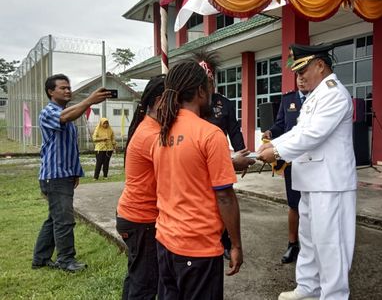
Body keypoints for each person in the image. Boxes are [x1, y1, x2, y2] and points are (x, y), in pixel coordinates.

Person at [258, 44, 357, 300]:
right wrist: (273, 145)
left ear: (321, 66)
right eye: (297, 71)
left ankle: (334, 295)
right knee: (310, 240)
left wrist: (276, 152)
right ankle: (307, 289)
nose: (300, 76)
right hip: (311, 180)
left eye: (304, 70)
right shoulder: (316, 95)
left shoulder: (334, 94)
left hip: (329, 182)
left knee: (331, 245)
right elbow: (298, 132)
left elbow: (314, 135)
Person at [152, 60, 243, 299]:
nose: (212, 92)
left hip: (165, 241)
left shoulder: (161, 133)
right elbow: (224, 196)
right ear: (201, 91)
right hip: (198, 248)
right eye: (209, 87)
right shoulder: (210, 134)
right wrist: (235, 245)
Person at [32, 74, 112, 272]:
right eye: (62, 88)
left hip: (64, 175)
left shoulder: (68, 111)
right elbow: (65, 117)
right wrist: (90, 101)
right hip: (55, 176)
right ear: (51, 92)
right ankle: (66, 260)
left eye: (69, 87)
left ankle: (40, 258)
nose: (68, 90)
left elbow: (69, 147)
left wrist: (75, 173)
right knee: (64, 220)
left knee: (54, 219)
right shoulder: (49, 112)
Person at [191, 49, 253, 260]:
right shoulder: (193, 104)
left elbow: (234, 130)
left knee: (224, 200)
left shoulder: (224, 104)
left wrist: (242, 155)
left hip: (220, 160)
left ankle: (226, 242)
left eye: (210, 80)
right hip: (197, 162)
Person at [116, 75, 165, 299]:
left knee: (137, 276)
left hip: (134, 217)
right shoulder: (151, 134)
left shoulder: (148, 127)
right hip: (142, 220)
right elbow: (182, 161)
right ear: (159, 101)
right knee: (145, 283)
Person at [262, 77, 309, 264]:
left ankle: (310, 246)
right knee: (294, 204)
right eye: (298, 77)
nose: (301, 81)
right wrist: (271, 133)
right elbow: (281, 125)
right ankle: (293, 244)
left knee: (312, 206)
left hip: (313, 161)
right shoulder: (288, 99)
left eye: (305, 76)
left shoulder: (318, 99)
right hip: (292, 161)